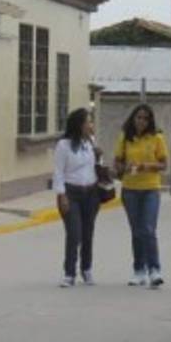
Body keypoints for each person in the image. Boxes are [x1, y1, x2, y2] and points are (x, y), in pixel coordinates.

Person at [114, 104, 168, 288]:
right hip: (130, 189)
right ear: (133, 118)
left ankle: (154, 269)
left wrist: (147, 166)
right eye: (139, 117)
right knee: (137, 231)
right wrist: (125, 167)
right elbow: (117, 163)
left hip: (150, 188)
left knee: (148, 229)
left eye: (146, 118)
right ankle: (139, 270)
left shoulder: (157, 137)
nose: (142, 121)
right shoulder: (125, 137)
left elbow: (164, 164)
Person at [52, 108, 100, 288]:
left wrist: (99, 156)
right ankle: (69, 273)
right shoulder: (63, 145)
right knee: (74, 233)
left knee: (88, 233)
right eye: (88, 122)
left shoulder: (91, 142)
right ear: (79, 125)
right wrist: (61, 195)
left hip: (91, 192)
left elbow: (95, 167)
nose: (91, 125)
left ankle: (86, 269)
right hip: (71, 193)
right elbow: (58, 172)